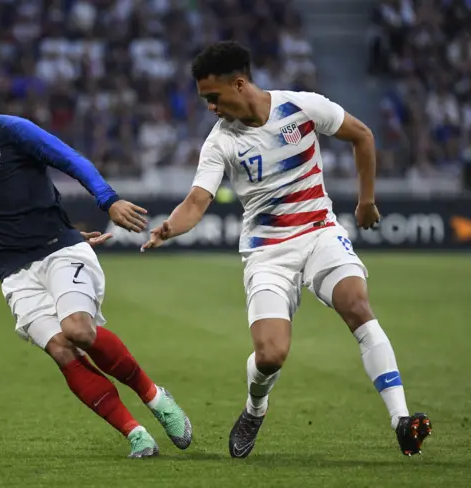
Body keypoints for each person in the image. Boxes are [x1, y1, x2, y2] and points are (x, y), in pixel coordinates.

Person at [141, 41, 431, 458]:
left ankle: (401, 420)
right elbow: (197, 202)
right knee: (272, 354)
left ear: (239, 84)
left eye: (213, 97)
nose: (210, 107)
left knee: (357, 304)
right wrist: (167, 229)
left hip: (319, 233)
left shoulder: (300, 107)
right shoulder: (220, 142)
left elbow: (362, 136)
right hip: (267, 253)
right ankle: (255, 409)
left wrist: (366, 200)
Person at [0, 68, 192, 458]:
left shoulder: (15, 131)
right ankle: (134, 432)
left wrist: (108, 200)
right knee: (61, 350)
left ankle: (155, 397)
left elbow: (71, 160)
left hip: (59, 251)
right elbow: (9, 211)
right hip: (14, 271)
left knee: (78, 330)